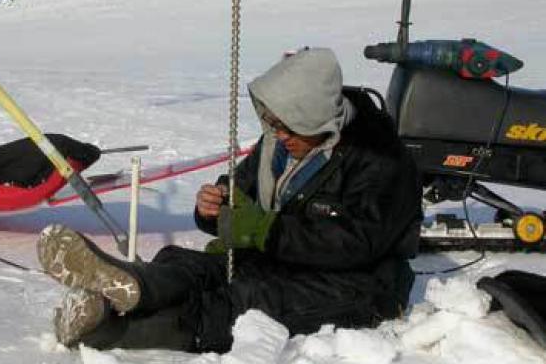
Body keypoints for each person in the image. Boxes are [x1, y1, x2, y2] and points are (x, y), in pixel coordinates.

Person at [37, 48, 423, 353]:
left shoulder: (383, 160)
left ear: (316, 118)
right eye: (270, 122)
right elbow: (242, 191)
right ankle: (131, 282)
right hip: (281, 258)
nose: (277, 133)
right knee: (185, 263)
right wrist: (215, 206)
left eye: (286, 126)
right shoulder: (281, 142)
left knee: (244, 303)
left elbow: (355, 243)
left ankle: (112, 329)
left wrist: (262, 230)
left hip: (359, 283)